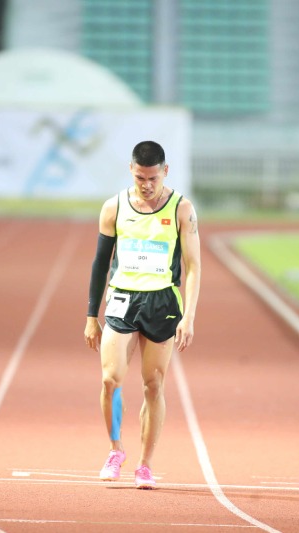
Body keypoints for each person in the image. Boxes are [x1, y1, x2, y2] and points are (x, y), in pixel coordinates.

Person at [84, 140, 201, 489]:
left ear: (165, 172)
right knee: (110, 379)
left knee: (153, 385)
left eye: (153, 178)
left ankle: (145, 464)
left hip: (162, 303)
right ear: (131, 171)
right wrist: (91, 315)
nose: (146, 185)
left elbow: (193, 266)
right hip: (122, 299)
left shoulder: (182, 209)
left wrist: (189, 316)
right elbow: (100, 264)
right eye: (140, 178)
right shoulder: (114, 207)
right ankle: (115, 450)